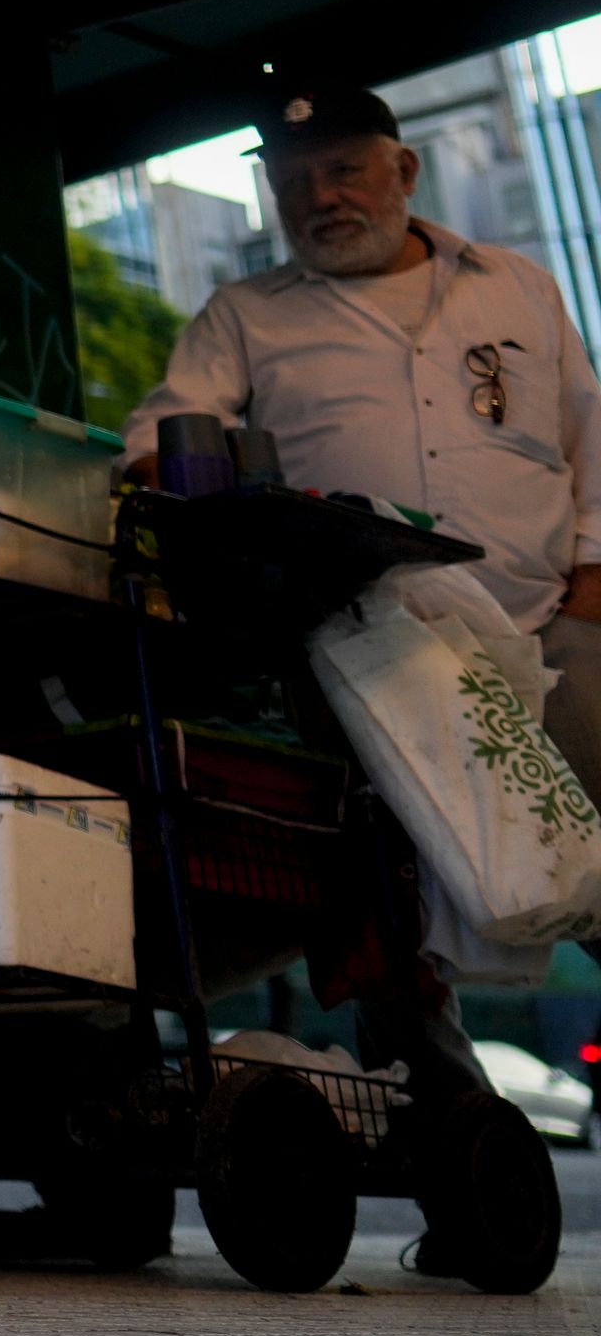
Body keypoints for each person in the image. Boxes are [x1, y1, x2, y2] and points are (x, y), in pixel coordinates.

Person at [121, 80, 601, 1151]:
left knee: (600, 854)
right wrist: (169, 462)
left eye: (342, 170)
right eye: (293, 183)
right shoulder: (244, 315)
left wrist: (597, 576)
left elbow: (590, 426)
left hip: (548, 619)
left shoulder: (515, 284)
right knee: (382, 894)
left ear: (404, 172)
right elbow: (161, 430)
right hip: (372, 642)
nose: (321, 196)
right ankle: (449, 1135)